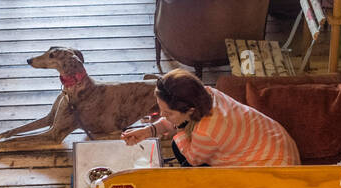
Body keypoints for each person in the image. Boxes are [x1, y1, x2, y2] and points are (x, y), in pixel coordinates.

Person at [121, 69, 300, 167]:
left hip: (274, 167)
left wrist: (179, 132)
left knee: (179, 148)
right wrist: (149, 131)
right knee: (179, 142)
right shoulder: (206, 92)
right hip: (277, 140)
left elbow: (193, 158)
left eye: (167, 113)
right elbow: (177, 116)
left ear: (190, 110)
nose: (162, 116)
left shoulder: (208, 131)